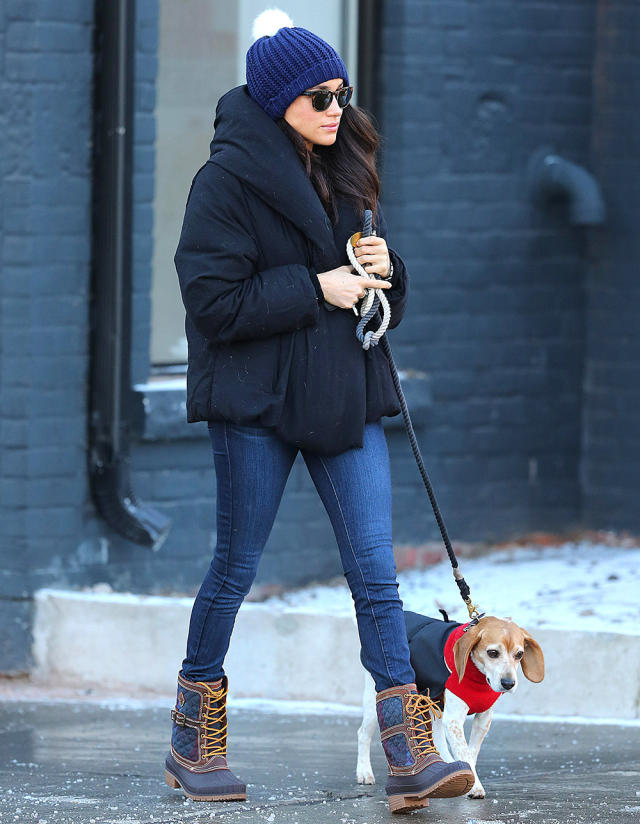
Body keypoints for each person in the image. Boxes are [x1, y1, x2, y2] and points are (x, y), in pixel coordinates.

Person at [164, 12, 473, 813]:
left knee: (375, 571)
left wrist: (384, 271)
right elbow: (210, 300)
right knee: (236, 566)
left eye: (341, 93)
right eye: (317, 99)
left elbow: (375, 296)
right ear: (276, 104)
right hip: (258, 399)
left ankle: (407, 754)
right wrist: (315, 287)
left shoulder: (345, 167)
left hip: (342, 393)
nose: (336, 109)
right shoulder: (225, 181)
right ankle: (193, 739)